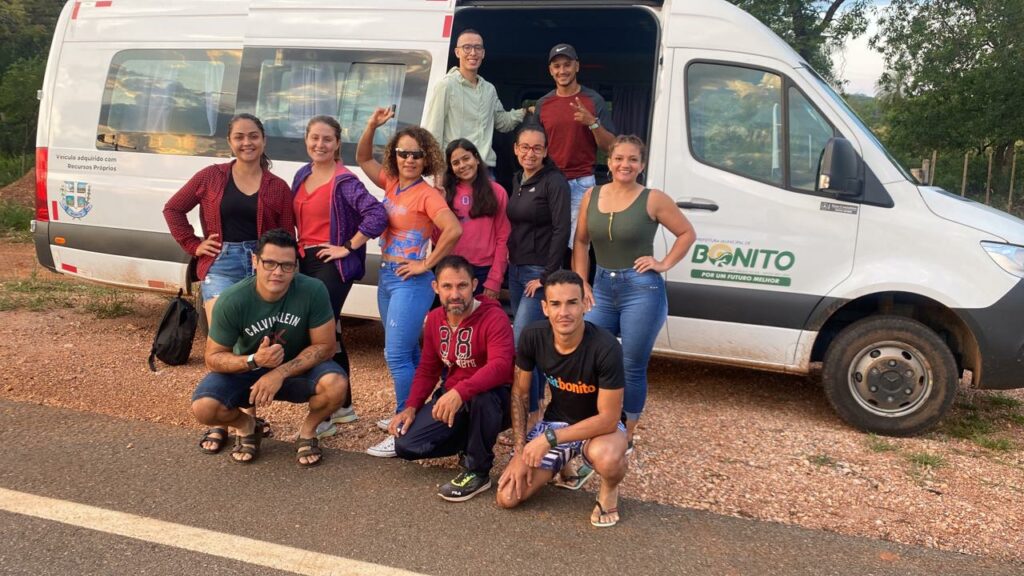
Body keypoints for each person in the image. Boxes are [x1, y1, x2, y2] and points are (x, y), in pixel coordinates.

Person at [163, 112, 294, 454]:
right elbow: (173, 209)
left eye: (253, 136)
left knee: (252, 341)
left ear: (263, 140)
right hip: (222, 261)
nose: (246, 142)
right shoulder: (211, 176)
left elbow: (286, 234)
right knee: (223, 341)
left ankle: (245, 422)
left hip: (262, 264)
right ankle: (223, 420)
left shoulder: (277, 187)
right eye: (239, 137)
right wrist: (194, 245)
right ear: (230, 142)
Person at [572, 135, 695, 450]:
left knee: (632, 364)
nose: (625, 164)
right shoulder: (592, 195)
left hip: (641, 289)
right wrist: (580, 282)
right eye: (619, 158)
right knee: (589, 357)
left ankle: (626, 432)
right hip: (600, 286)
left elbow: (686, 233)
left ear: (641, 165)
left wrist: (663, 263)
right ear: (609, 161)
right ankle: (593, 420)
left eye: (632, 159)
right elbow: (582, 242)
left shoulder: (653, 198)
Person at [190, 229, 350, 467]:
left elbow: (325, 347)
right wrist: (255, 360)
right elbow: (213, 358)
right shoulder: (233, 300)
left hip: (297, 371)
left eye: (286, 265)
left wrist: (279, 372)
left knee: (336, 384)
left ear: (295, 267)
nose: (278, 272)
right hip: (248, 371)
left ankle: (307, 433)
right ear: (255, 261)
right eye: (270, 263)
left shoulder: (313, 290)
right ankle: (247, 426)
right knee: (204, 407)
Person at [356, 106, 462, 458]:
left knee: (396, 354)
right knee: (412, 353)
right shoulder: (391, 182)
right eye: (403, 153)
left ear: (426, 157)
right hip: (387, 277)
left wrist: (426, 264)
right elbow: (361, 157)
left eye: (417, 154)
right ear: (395, 155)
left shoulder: (428, 194)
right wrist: (372, 124)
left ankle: (403, 425)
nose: (409, 159)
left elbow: (453, 229)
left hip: (410, 283)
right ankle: (415, 412)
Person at [496, 270, 629, 527]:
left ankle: (609, 489)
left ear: (585, 304)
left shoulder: (607, 347)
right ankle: (561, 465)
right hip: (557, 423)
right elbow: (520, 394)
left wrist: (548, 439)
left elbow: (608, 419)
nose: (563, 312)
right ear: (545, 308)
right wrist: (520, 450)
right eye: (555, 304)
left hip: (598, 430)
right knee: (508, 497)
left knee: (608, 458)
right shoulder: (532, 336)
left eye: (572, 303)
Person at [288, 115, 388, 438]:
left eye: (327, 139)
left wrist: (349, 246)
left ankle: (324, 415)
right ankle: (343, 405)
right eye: (314, 138)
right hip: (305, 260)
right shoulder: (302, 175)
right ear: (306, 140)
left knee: (316, 334)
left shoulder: (345, 181)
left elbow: (377, 214)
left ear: (337, 144)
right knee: (333, 333)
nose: (320, 144)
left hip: (331, 264)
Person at [389, 255, 513, 502]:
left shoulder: (493, 316)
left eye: (462, 285)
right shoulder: (435, 319)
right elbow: (428, 368)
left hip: (495, 400)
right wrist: (411, 406)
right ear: (436, 288)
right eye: (447, 286)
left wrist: (459, 392)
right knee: (406, 445)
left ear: (474, 286)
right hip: (454, 397)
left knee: (481, 396)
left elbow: (501, 365)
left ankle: (477, 469)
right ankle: (469, 441)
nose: (455, 294)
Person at [506, 124, 570, 416]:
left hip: (537, 273)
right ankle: (538, 407)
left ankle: (530, 414)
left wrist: (546, 276)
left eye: (537, 148)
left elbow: (562, 230)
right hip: (516, 270)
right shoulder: (518, 179)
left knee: (522, 341)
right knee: (535, 342)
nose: (530, 153)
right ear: (516, 149)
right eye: (525, 147)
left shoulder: (554, 182)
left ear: (545, 151)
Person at [533, 44, 617, 246]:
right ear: (551, 71)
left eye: (567, 65)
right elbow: (535, 146)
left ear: (577, 66)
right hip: (549, 180)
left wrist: (593, 123)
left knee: (578, 244)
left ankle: (577, 279)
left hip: (582, 181)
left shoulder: (593, 100)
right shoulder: (543, 104)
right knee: (548, 241)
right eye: (557, 66)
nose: (562, 71)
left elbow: (612, 147)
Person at [423, 28, 526, 174]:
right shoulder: (446, 86)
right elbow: (433, 133)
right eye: (467, 47)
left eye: (477, 48)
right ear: (457, 52)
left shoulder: (489, 89)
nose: (473, 53)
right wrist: (438, 173)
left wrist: (525, 111)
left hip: (485, 170)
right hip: (456, 170)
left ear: (483, 53)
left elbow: (502, 123)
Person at [436, 138, 511, 298]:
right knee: (455, 321)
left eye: (466, 158)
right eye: (456, 163)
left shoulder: (497, 192)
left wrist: (495, 279)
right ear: (451, 168)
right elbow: (437, 238)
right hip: (452, 270)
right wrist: (440, 206)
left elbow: (503, 237)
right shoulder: (445, 194)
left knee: (481, 321)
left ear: (476, 158)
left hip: (484, 271)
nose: (462, 165)